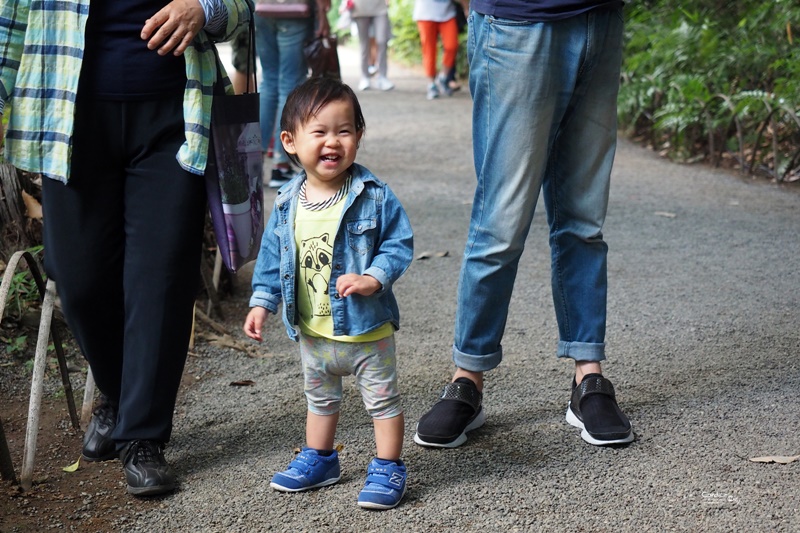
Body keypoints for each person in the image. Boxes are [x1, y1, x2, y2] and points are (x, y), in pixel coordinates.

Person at [0, 0, 253, 496]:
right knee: (78, 277)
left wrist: (205, 10)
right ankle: (117, 397)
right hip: (68, 120)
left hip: (175, 119)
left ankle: (141, 438)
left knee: (161, 276)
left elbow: (242, 10)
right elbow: (7, 20)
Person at [414, 0, 634, 449]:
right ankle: (467, 378)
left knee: (584, 220)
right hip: (516, 23)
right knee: (500, 222)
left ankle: (588, 376)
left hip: (601, 18)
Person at [243, 77, 413, 509]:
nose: (332, 141)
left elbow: (398, 242)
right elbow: (271, 258)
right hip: (313, 331)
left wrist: (374, 276)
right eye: (319, 132)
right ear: (290, 142)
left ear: (358, 136)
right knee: (319, 399)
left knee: (382, 401)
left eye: (344, 130)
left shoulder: (372, 196)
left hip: (365, 330)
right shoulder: (286, 202)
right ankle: (321, 458)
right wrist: (262, 302)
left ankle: (388, 466)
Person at [254, 0, 331, 188]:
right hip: (295, 11)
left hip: (261, 9)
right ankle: (281, 164)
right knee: (290, 83)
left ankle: (254, 164)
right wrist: (322, 13)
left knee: (269, 82)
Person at [412, 0, 459, 99]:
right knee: (429, 50)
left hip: (447, 14)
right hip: (425, 14)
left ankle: (443, 77)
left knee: (452, 46)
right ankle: (431, 83)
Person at [351, 0, 394, 91]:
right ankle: (364, 77)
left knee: (382, 41)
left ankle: (382, 77)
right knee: (364, 44)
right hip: (360, 7)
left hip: (380, 6)